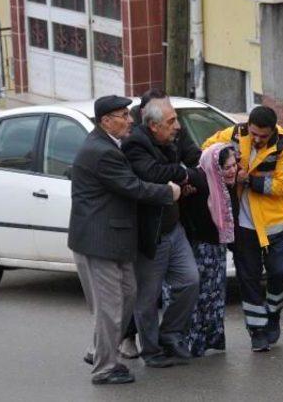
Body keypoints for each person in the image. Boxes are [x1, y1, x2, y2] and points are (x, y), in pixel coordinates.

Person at [68, 95, 180, 384]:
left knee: (128, 296)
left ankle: (99, 349)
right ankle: (104, 368)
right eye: (123, 115)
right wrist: (168, 192)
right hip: (100, 241)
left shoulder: (107, 145)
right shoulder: (102, 151)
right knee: (110, 307)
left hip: (114, 240)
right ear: (106, 121)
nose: (131, 120)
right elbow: (132, 187)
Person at [203, 106, 283, 352]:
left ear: (273, 131)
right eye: (253, 133)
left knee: (279, 272)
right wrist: (225, 164)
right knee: (249, 278)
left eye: (262, 136)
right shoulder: (235, 134)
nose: (256, 139)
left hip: (273, 223)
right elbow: (207, 149)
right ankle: (257, 330)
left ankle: (274, 313)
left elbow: (281, 185)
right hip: (243, 224)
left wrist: (248, 180)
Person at [122, 96, 201, 368]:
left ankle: (170, 335)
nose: (178, 126)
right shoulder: (135, 143)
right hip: (151, 234)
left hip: (173, 227)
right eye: (171, 121)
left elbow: (195, 159)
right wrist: (182, 174)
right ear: (154, 126)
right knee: (147, 298)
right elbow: (152, 173)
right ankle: (151, 351)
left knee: (190, 280)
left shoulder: (171, 138)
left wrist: (184, 175)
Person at [162, 143, 238, 356]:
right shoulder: (200, 179)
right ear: (215, 167)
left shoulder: (225, 185)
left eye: (234, 165)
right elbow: (177, 178)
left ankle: (207, 341)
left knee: (213, 298)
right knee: (196, 298)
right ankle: (186, 343)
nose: (232, 170)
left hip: (216, 252)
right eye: (227, 167)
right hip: (197, 250)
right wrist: (182, 190)